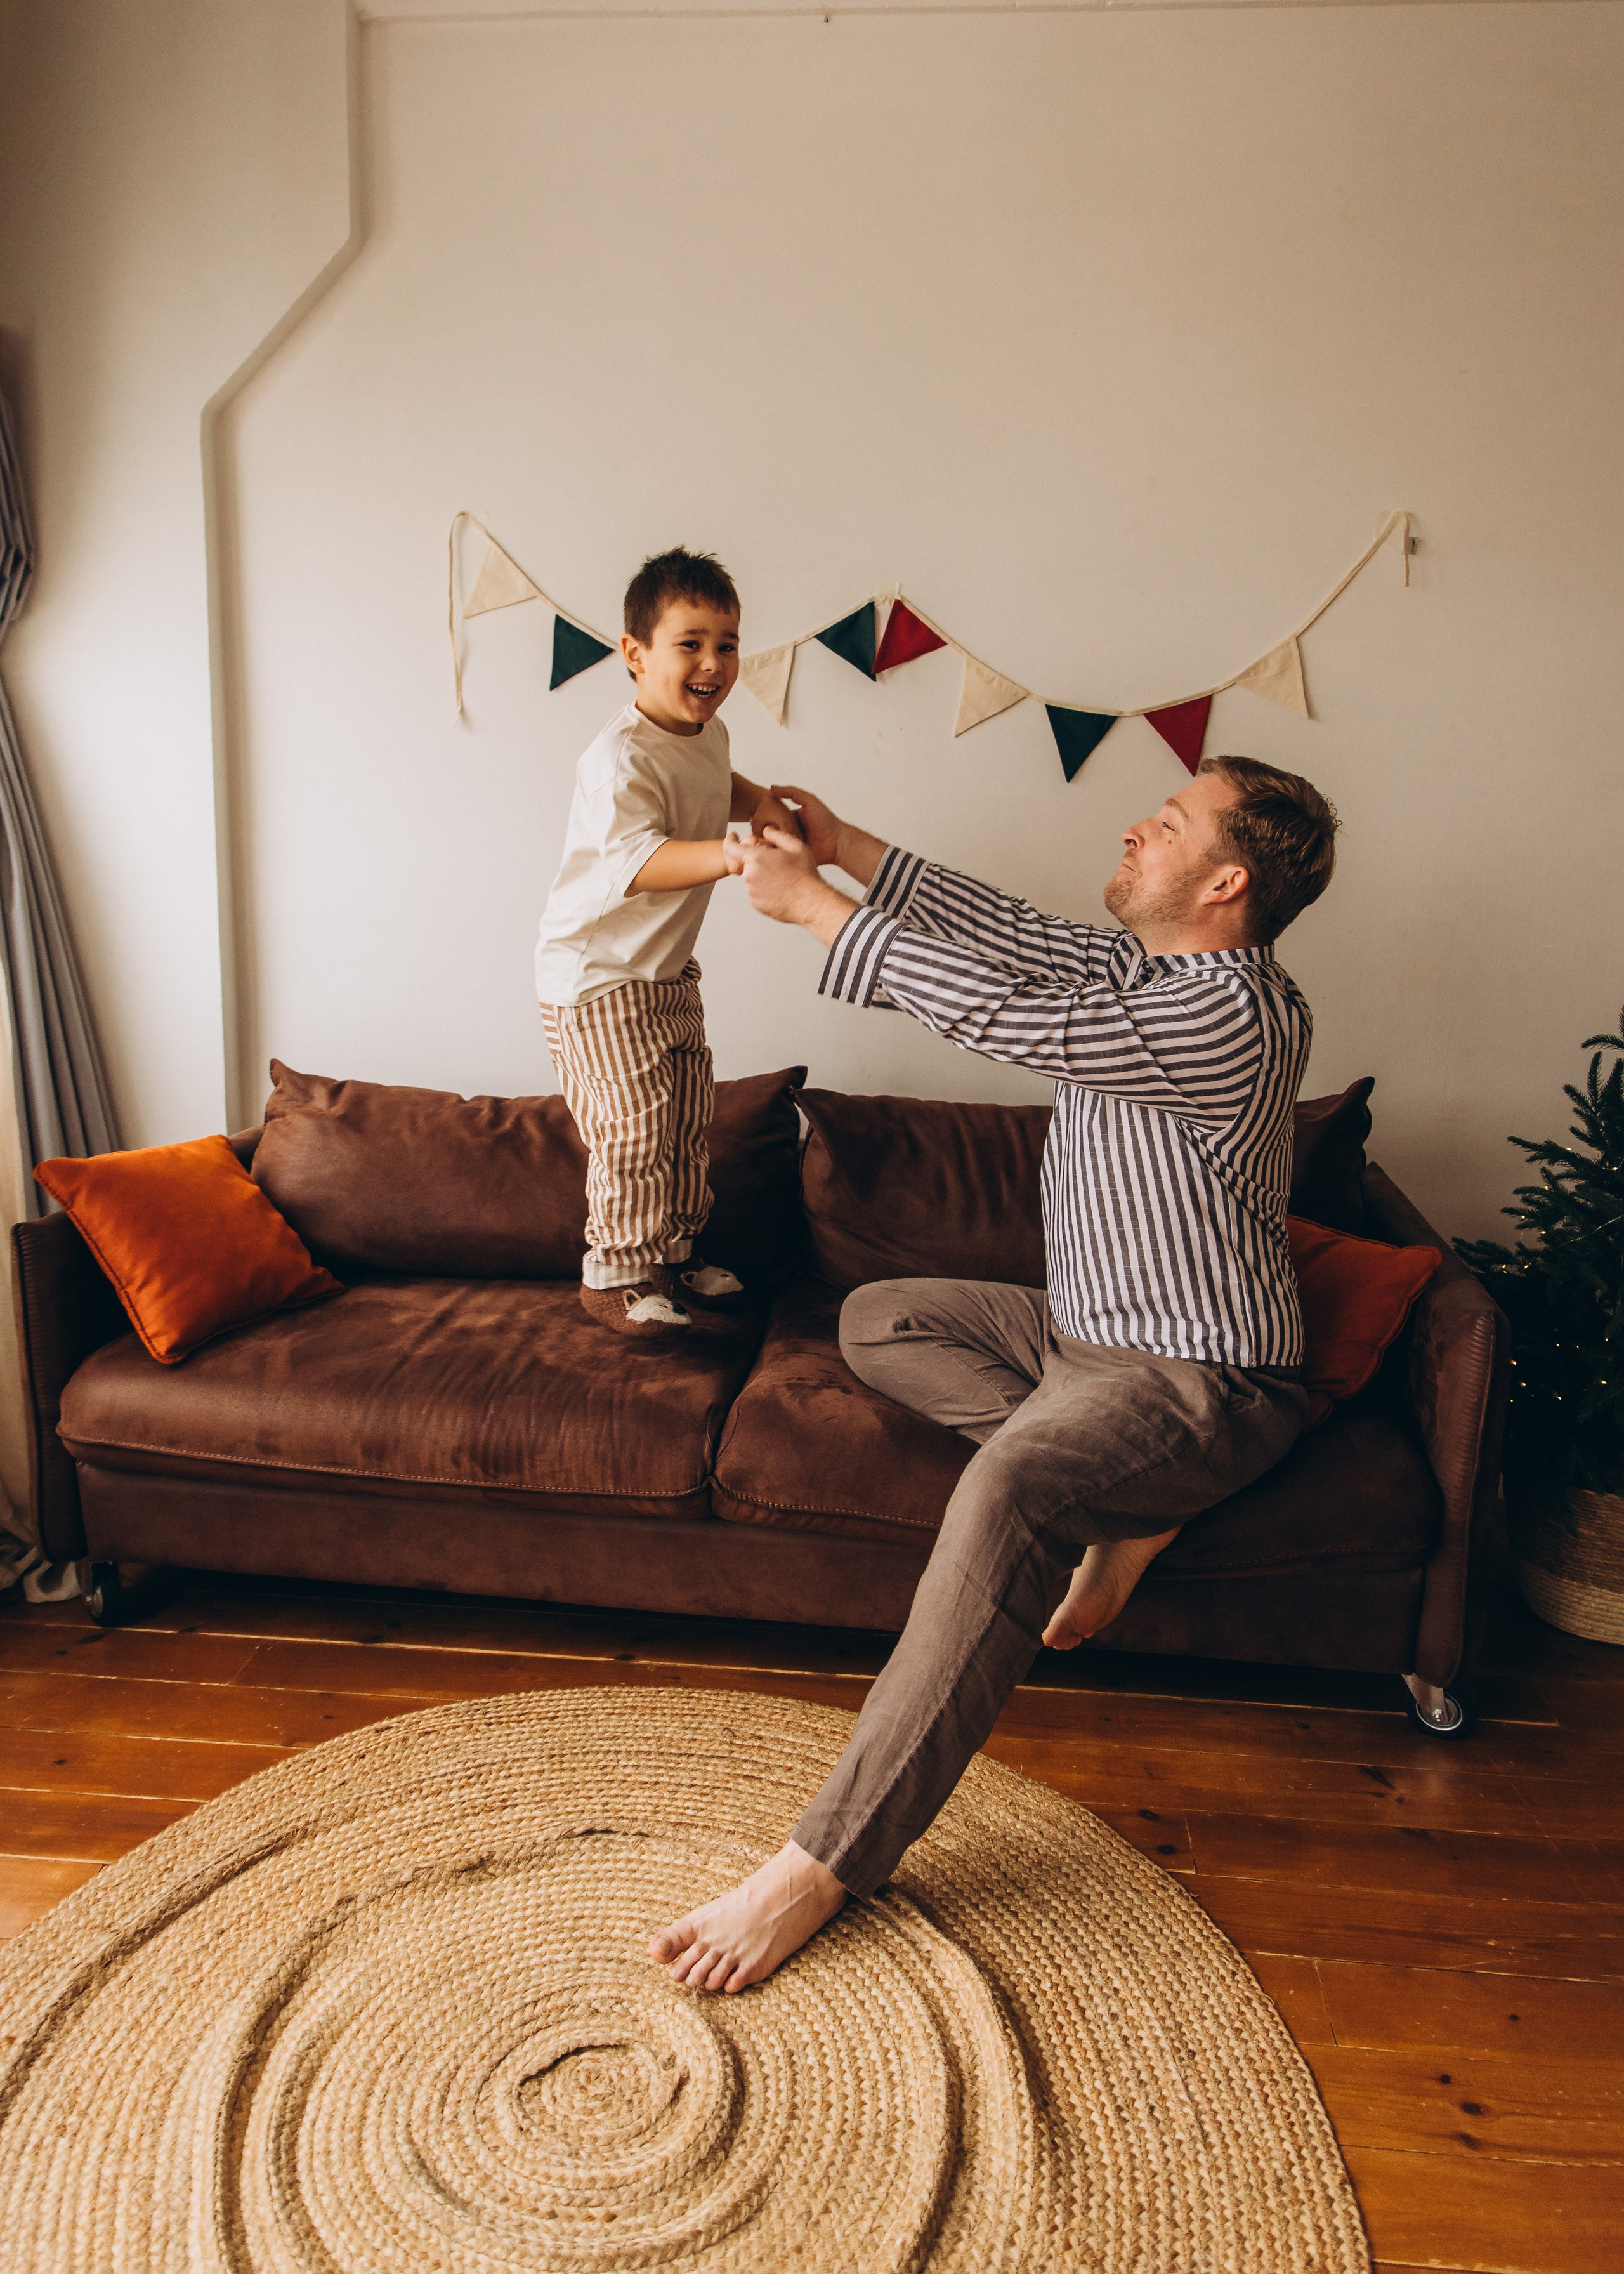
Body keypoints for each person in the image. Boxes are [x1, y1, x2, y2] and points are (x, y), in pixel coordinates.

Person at [650, 753, 1339, 1988]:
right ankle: (1131, 1502)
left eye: (1169, 823)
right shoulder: (1144, 966)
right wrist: (846, 839)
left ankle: (821, 1861)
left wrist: (817, 909)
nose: (1138, 825)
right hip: (1079, 1342)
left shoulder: (1230, 1010)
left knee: (1009, 1492)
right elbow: (1010, 935)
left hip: (1201, 1378)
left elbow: (1021, 1019)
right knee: (878, 1317)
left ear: (1225, 880)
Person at [535, 549, 801, 1338]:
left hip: (662, 971)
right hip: (597, 977)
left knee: (685, 1116)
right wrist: (730, 851)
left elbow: (718, 782)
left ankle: (670, 1251)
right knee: (634, 1125)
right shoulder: (620, 759)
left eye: (726, 643)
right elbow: (636, 862)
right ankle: (613, 1272)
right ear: (635, 654)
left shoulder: (705, 734)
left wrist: (767, 806)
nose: (713, 663)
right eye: (690, 642)